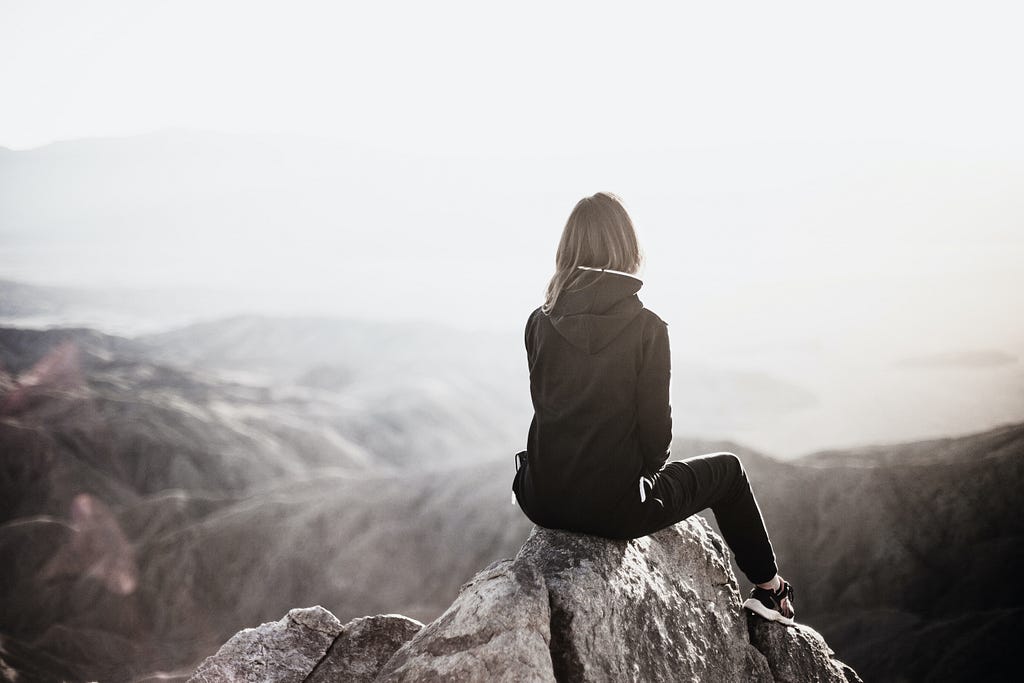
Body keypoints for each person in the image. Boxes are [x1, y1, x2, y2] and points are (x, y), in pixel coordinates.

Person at [510, 191, 795, 625]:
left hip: (540, 497)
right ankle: (771, 590)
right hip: (616, 509)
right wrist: (639, 481)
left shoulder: (539, 320)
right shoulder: (647, 329)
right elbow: (657, 437)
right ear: (627, 248)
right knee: (730, 473)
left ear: (567, 249)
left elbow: (548, 406)